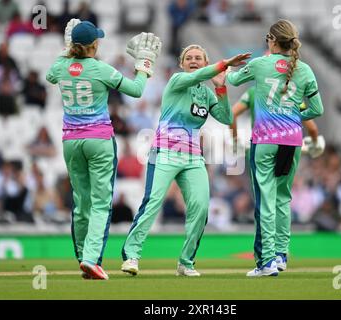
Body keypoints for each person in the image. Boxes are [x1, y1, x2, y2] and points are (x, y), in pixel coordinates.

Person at [120, 43, 251, 277]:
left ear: (204, 62)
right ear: (182, 64)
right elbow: (202, 75)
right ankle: (132, 255)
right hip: (165, 153)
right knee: (153, 203)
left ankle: (186, 262)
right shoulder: (177, 80)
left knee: (200, 208)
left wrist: (221, 89)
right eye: (189, 57)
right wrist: (223, 64)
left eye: (198, 58)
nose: (193, 61)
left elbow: (226, 117)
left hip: (192, 157)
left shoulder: (206, 92)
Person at [46, 19, 161, 280]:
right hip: (99, 140)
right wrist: (144, 64)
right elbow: (136, 90)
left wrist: (68, 52)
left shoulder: (61, 66)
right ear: (94, 45)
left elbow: (50, 75)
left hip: (70, 142)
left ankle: (82, 257)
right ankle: (91, 259)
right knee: (100, 203)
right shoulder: (100, 69)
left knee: (80, 202)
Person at [227, 19, 324, 277]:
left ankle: (267, 261)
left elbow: (234, 80)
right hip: (292, 141)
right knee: (283, 198)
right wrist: (292, 115)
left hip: (265, 141)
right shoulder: (305, 69)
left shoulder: (260, 64)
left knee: (266, 200)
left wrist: (228, 67)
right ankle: (281, 255)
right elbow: (317, 110)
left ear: (271, 40)